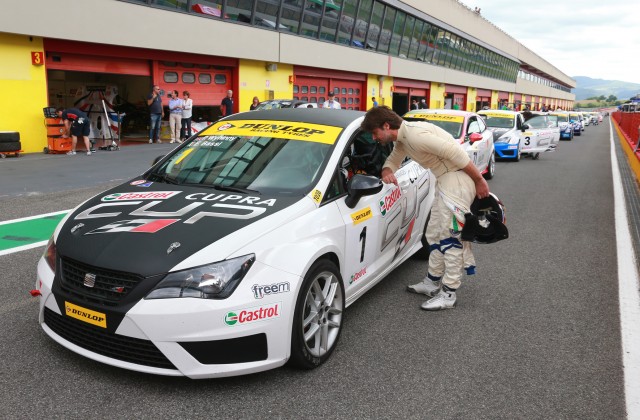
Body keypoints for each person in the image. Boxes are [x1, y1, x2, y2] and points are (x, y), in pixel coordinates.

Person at [360, 106, 490, 311]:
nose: (375, 138)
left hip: (456, 181)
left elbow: (457, 153)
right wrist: (386, 170)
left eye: (375, 133)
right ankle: (432, 282)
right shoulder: (404, 136)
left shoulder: (415, 135)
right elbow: (394, 158)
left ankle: (448, 293)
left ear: (386, 126)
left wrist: (480, 181)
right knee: (434, 235)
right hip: (446, 180)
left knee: (450, 238)